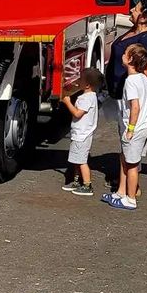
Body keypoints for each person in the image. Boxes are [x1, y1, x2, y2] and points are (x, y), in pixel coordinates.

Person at [104, 44, 147, 211]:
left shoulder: (131, 81)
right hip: (145, 125)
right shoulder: (143, 78)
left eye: (125, 53)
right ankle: (121, 192)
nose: (122, 55)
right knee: (125, 158)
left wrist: (131, 128)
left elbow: (135, 106)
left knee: (132, 165)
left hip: (136, 128)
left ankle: (130, 199)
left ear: (131, 59)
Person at [105, 0, 147, 99]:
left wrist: (128, 67)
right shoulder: (134, 30)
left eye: (135, 9)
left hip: (131, 96)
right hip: (117, 92)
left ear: (143, 18)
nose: (131, 10)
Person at [61, 68, 103, 197]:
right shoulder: (91, 96)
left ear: (87, 85)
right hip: (81, 133)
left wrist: (67, 102)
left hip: (82, 135)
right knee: (76, 159)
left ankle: (87, 184)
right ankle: (76, 181)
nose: (77, 81)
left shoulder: (85, 99)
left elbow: (77, 113)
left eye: (80, 80)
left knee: (81, 161)